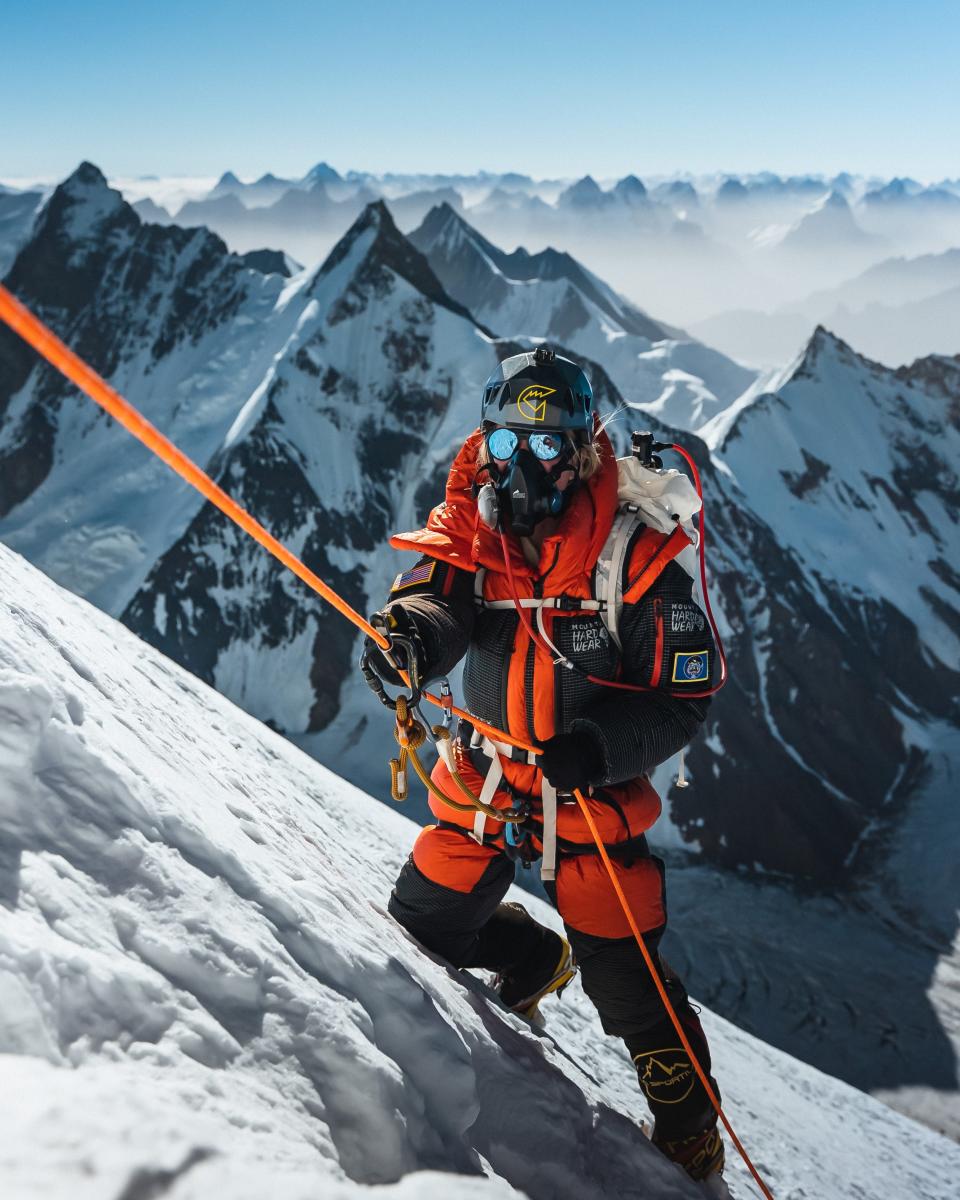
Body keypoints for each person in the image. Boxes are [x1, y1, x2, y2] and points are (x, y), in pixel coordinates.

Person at [363, 346, 724, 1184]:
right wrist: (409, 641)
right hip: (487, 778)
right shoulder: (473, 530)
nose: (520, 468)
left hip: (588, 795)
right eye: (504, 446)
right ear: (485, 443)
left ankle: (690, 1124)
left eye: (547, 447)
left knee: (628, 980)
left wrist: (599, 748)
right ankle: (529, 957)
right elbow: (438, 600)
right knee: (422, 923)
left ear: (585, 449)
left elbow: (683, 696)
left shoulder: (636, 556)